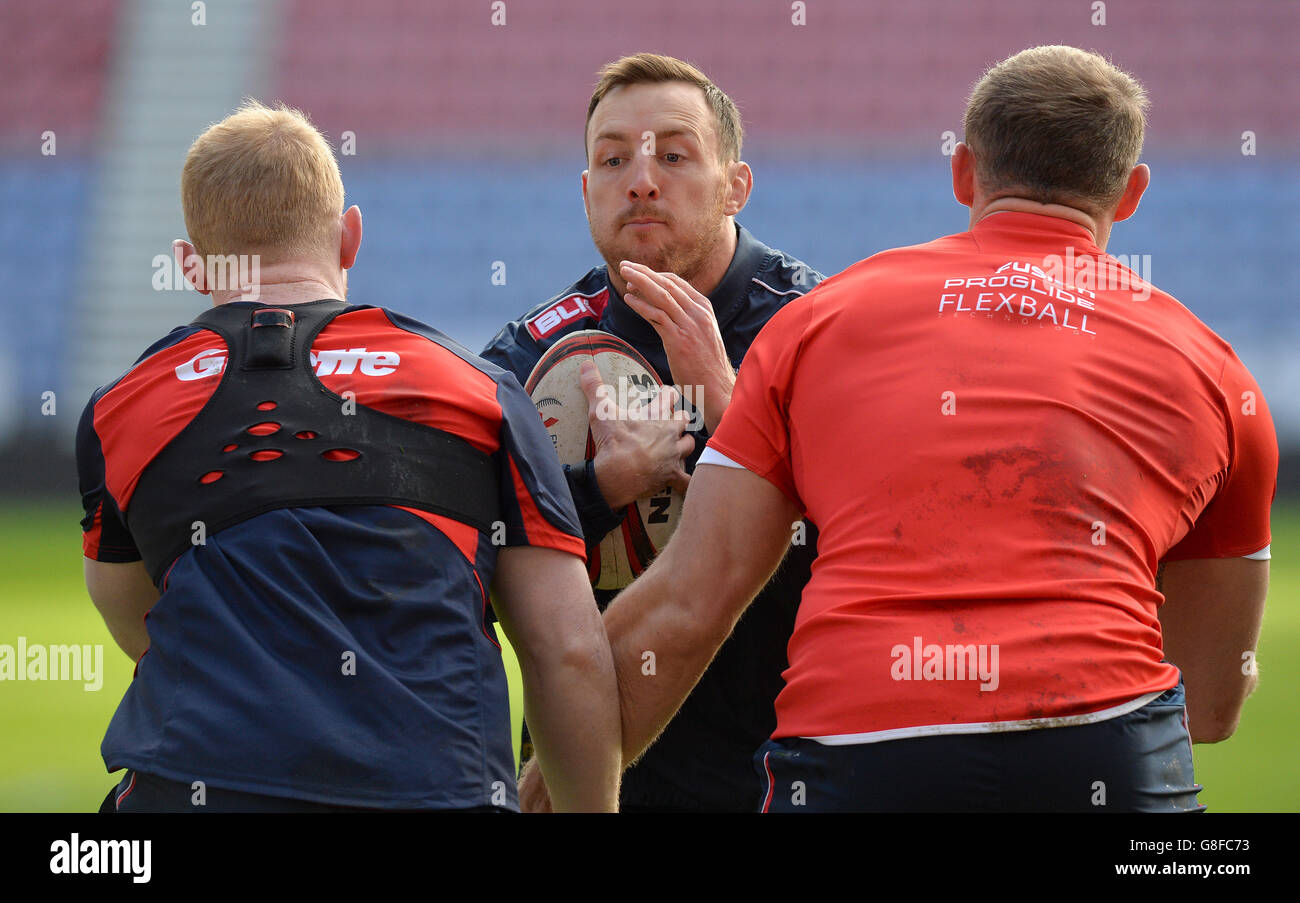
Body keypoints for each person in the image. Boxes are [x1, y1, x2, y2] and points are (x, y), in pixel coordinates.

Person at [541, 45, 1279, 812]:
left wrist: (545, 789)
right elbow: (1214, 703)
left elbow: (688, 605)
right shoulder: (1217, 375)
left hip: (858, 751)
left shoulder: (816, 323)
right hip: (1107, 747)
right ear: (1130, 194)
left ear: (963, 173)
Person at [76, 100, 620, 812]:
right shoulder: (480, 390)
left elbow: (136, 619)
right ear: (349, 236)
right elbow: (568, 654)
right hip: (438, 792)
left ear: (189, 264)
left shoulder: (120, 409)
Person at [481, 53, 824, 812]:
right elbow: (468, 556)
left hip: (783, 773)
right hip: (590, 783)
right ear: (586, 192)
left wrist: (732, 410)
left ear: (736, 185)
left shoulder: (815, 329)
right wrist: (598, 491)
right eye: (612, 159)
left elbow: (869, 545)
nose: (640, 179)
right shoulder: (529, 360)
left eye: (674, 154)